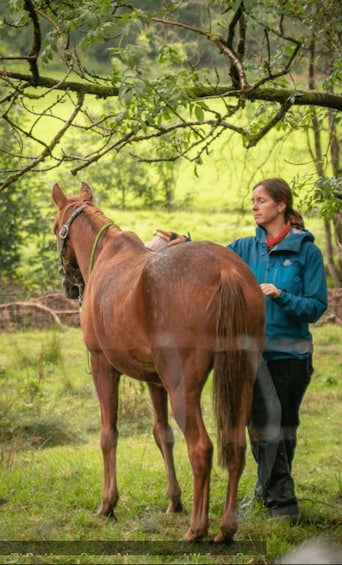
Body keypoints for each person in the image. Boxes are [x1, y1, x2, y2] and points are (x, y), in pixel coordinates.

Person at [152, 177, 328, 521]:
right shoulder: (245, 249)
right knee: (263, 424)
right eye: (252, 200)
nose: (254, 206)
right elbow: (210, 256)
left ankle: (266, 492)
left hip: (292, 353)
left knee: (285, 429)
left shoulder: (307, 252)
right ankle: (284, 504)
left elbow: (317, 306)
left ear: (281, 205)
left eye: (261, 200)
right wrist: (185, 243)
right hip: (251, 352)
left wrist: (281, 295)